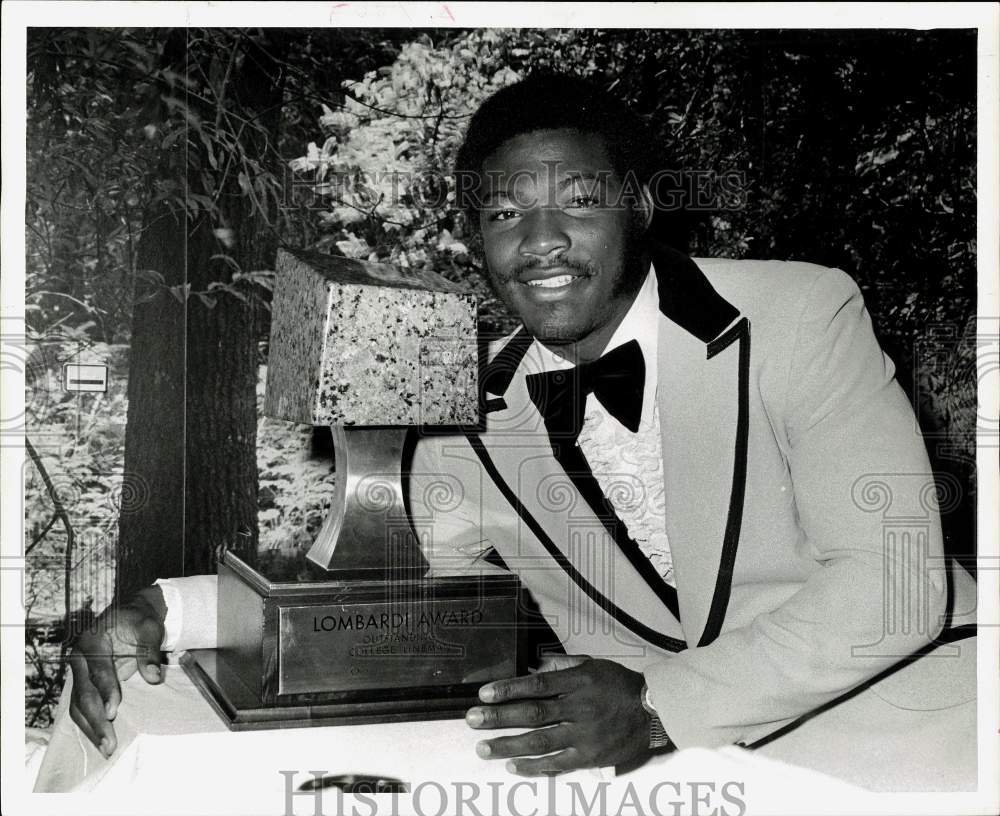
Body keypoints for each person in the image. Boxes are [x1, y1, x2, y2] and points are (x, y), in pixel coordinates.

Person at [68, 74, 978, 789]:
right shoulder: (469, 413)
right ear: (476, 240)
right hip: (661, 775)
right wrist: (165, 610)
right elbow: (372, 590)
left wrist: (665, 707)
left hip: (917, 725)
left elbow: (894, 584)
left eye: (578, 201)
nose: (541, 240)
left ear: (640, 208)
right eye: (505, 214)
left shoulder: (801, 313)